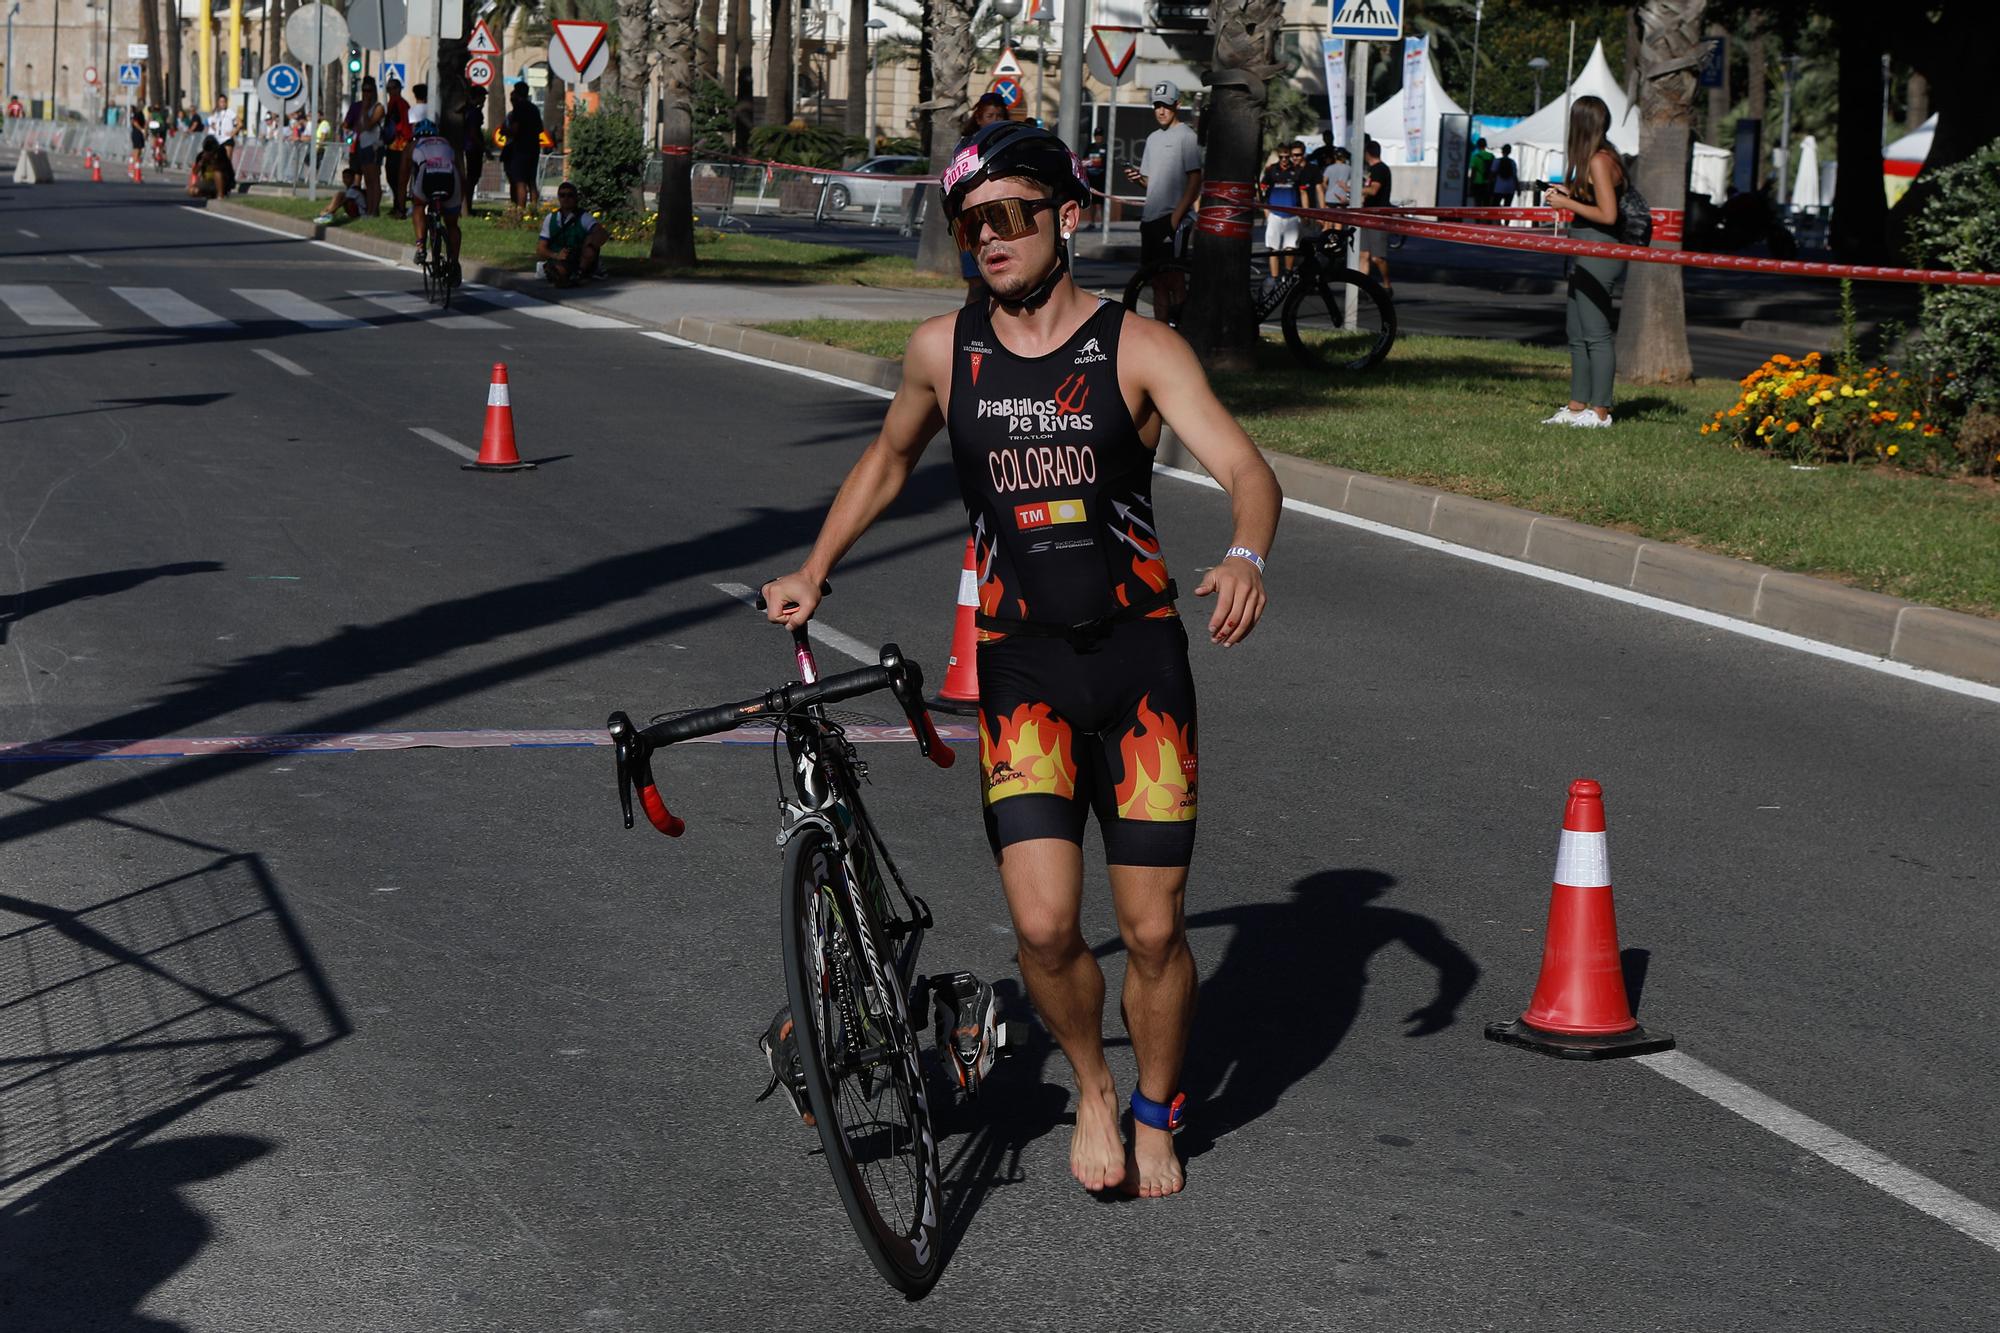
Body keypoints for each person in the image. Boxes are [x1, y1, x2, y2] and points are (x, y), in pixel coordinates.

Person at [761, 121, 1280, 1199]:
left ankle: (1154, 1108)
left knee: (1150, 928)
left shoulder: (1136, 348)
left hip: (1139, 672)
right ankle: (1094, 1083)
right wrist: (815, 568)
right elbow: (887, 457)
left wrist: (1242, 551)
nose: (990, 239)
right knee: (1043, 927)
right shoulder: (942, 353)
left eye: (1011, 216)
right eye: (970, 225)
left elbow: (1244, 467)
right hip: (1021, 672)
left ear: (1064, 218)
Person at [1542, 95, 1626, 428]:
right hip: (1586, 249)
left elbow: (1608, 214)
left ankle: (1601, 411)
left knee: (1596, 332)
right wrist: (1571, 195)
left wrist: (1567, 203)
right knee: (1576, 331)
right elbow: (1598, 202)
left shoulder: (1600, 161)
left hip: (1600, 251)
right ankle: (1577, 407)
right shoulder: (1596, 159)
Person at [1125, 81, 1202, 322]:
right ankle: (1162, 334)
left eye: (1166, 106)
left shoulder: (1187, 136)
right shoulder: (1152, 138)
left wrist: (1176, 217)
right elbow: (1151, 183)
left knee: (1175, 279)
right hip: (1150, 219)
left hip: (1172, 219)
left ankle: (1183, 332)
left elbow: (1195, 180)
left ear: (1177, 105)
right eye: (1157, 105)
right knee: (1156, 281)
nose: (1161, 111)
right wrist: (1137, 179)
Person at [957, 92, 1012, 303]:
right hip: (972, 219)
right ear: (979, 118)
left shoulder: (1010, 145)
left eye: (999, 115)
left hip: (1003, 218)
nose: (995, 120)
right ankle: (969, 328)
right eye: (990, 115)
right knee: (977, 283)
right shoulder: (966, 147)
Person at [403, 115, 464, 272]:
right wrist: (461, 200)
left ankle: (421, 247)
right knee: (452, 224)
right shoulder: (446, 143)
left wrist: (399, 199)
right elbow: (460, 172)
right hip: (450, 178)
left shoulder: (413, 145)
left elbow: (402, 175)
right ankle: (454, 264)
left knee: (418, 206)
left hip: (428, 177)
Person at [536, 182, 609, 285]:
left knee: (591, 240)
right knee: (558, 271)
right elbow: (540, 249)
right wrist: (556, 255)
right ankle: (563, 276)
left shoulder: (584, 217)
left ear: (575, 198)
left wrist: (589, 246)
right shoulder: (550, 219)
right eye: (562, 195)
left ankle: (581, 273)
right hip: (560, 259)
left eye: (570, 195)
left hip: (579, 258)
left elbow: (602, 234)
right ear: (559, 198)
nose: (566, 198)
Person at [1260, 140, 1307, 281]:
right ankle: (1274, 278)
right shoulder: (1271, 170)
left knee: (1290, 248)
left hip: (1292, 215)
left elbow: (1303, 193)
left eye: (1287, 157)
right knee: (1273, 248)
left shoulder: (1298, 171)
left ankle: (1287, 275)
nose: (1284, 160)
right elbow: (1262, 190)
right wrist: (1265, 210)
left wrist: (1305, 213)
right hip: (1274, 214)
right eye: (1281, 157)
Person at [343, 76, 387, 215]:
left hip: (374, 146)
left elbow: (368, 125)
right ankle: (369, 209)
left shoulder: (378, 107)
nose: (366, 93)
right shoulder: (361, 106)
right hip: (363, 145)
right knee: (367, 179)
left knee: (374, 179)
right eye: (364, 90)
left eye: (369, 90)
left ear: (374, 91)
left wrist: (366, 108)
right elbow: (358, 127)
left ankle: (374, 210)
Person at [501, 83, 543, 209]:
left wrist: (504, 131)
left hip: (520, 149)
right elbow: (540, 129)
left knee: (520, 182)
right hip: (534, 147)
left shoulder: (519, 108)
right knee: (532, 181)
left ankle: (520, 210)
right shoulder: (534, 109)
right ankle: (534, 209)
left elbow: (515, 130)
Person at [1359, 138, 1392, 290]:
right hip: (1367, 216)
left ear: (1368, 154)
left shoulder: (1380, 169)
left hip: (1378, 217)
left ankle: (1387, 285)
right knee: (1363, 255)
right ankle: (1362, 288)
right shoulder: (1373, 171)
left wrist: (1353, 190)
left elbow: (1374, 190)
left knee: (1377, 257)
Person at [382, 76, 412, 218]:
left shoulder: (398, 103)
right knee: (393, 177)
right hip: (395, 145)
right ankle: (398, 205)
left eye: (393, 88)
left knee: (397, 178)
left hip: (399, 146)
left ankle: (399, 207)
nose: (390, 91)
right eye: (388, 88)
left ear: (399, 89)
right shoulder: (395, 103)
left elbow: (400, 124)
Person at [186, 135, 233, 199]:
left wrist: (212, 159)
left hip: (224, 181)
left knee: (217, 172)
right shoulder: (201, 156)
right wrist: (201, 162)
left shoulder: (220, 152)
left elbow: (221, 168)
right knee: (192, 191)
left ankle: (220, 195)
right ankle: (210, 194)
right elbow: (195, 172)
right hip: (208, 181)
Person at [1467, 136, 1494, 208]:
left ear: (1478, 146)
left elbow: (1473, 171)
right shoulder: (1491, 156)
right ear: (1485, 145)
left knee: (1477, 204)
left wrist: (1471, 185)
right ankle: (1486, 219)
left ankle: (1478, 219)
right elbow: (1493, 171)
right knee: (1486, 204)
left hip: (1478, 182)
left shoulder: (1475, 157)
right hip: (1488, 183)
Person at [1492, 143, 1519, 210]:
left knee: (1495, 208)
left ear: (1502, 151)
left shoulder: (1497, 161)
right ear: (1510, 152)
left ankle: (1495, 220)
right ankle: (1506, 220)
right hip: (1510, 188)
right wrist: (1518, 188)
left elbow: (1492, 174)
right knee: (1507, 208)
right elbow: (1515, 176)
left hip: (1498, 187)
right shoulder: (1512, 162)